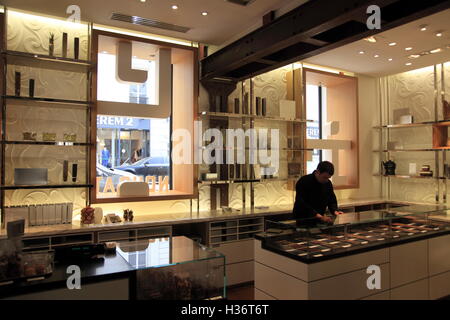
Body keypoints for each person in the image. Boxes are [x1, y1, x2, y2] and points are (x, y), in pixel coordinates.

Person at [292, 161, 344, 227]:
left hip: (320, 218)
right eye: (324, 177)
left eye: (328, 178)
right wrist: (316, 215)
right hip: (304, 218)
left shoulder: (328, 183)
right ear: (317, 172)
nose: (326, 180)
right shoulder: (304, 181)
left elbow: (331, 199)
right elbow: (301, 202)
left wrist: (334, 211)